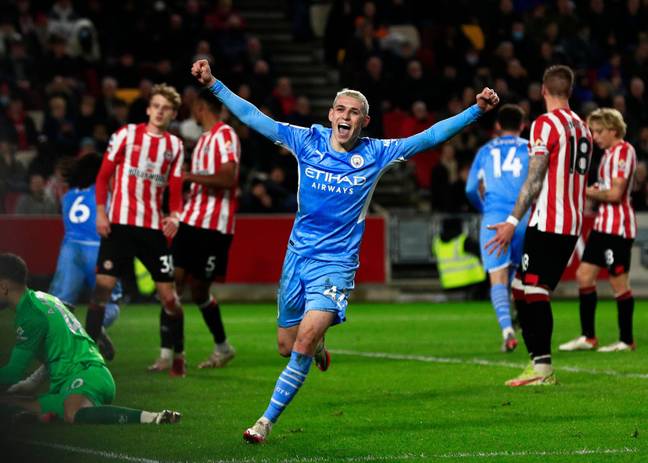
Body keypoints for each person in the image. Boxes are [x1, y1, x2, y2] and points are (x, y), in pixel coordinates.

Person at [190, 58, 500, 443]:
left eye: (355, 112)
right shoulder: (307, 140)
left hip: (336, 264)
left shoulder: (376, 153)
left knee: (300, 343)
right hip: (297, 258)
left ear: (364, 122)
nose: (346, 116)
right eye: (341, 109)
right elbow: (254, 117)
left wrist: (475, 111)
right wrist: (214, 84)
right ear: (330, 113)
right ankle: (318, 344)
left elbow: (430, 136)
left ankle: (264, 422)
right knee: (287, 346)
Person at [486, 65, 593, 387]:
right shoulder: (583, 127)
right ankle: (536, 363)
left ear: (544, 90)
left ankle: (542, 369)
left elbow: (533, 181)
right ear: (569, 91)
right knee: (520, 287)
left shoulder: (545, 125)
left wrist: (511, 221)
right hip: (571, 222)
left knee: (533, 289)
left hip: (548, 221)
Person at [0, 253, 181, 425]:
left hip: (87, 375)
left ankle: (152, 417)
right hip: (69, 381)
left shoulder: (30, 316)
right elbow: (59, 348)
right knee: (9, 403)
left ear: (3, 286)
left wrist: (28, 382)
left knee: (73, 412)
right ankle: (42, 416)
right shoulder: (43, 298)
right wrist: (31, 383)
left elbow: (13, 372)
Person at [86, 83, 186, 376]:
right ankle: (89, 353)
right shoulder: (125, 135)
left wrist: (176, 215)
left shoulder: (175, 146)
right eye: (155, 106)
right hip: (118, 225)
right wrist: (101, 213)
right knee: (101, 290)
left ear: (173, 114)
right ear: (147, 109)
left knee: (170, 298)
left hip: (153, 230)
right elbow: (103, 177)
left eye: (166, 108)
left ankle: (174, 354)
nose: (159, 111)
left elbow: (176, 187)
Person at [171, 87, 239, 369]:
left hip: (214, 226)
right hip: (191, 221)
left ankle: (222, 347)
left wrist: (189, 176)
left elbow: (228, 179)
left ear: (201, 108)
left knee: (199, 290)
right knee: (171, 283)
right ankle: (173, 354)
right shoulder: (202, 141)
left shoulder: (225, 135)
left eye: (194, 107)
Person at [559, 108, 637, 353]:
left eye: (599, 131)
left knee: (618, 283)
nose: (595, 136)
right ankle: (588, 337)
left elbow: (614, 194)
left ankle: (626, 340)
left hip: (618, 228)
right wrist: (593, 189)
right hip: (602, 226)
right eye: (593, 131)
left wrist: (583, 190)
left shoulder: (623, 152)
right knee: (584, 275)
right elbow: (605, 189)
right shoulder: (608, 155)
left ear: (613, 130)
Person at [466, 104, 529, 353]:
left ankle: (507, 330)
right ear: (522, 126)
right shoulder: (530, 148)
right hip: (522, 219)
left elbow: (471, 188)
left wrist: (484, 208)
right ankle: (519, 312)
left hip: (493, 218)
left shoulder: (485, 151)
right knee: (517, 275)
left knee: (497, 278)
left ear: (498, 126)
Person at [48, 152, 122, 360]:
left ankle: (57, 351)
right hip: (97, 249)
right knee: (110, 304)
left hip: (70, 251)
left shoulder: (69, 195)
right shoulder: (103, 193)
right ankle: (94, 329)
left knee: (62, 306)